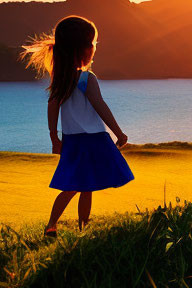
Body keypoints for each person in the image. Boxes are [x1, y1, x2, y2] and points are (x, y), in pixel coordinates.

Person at [22, 15, 133, 236]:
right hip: (92, 139)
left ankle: (74, 225)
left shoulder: (61, 79)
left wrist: (54, 137)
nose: (94, 48)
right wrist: (118, 132)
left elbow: (52, 107)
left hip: (72, 139)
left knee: (82, 185)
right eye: (92, 44)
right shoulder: (86, 79)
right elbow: (100, 106)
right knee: (78, 185)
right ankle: (55, 225)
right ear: (83, 49)